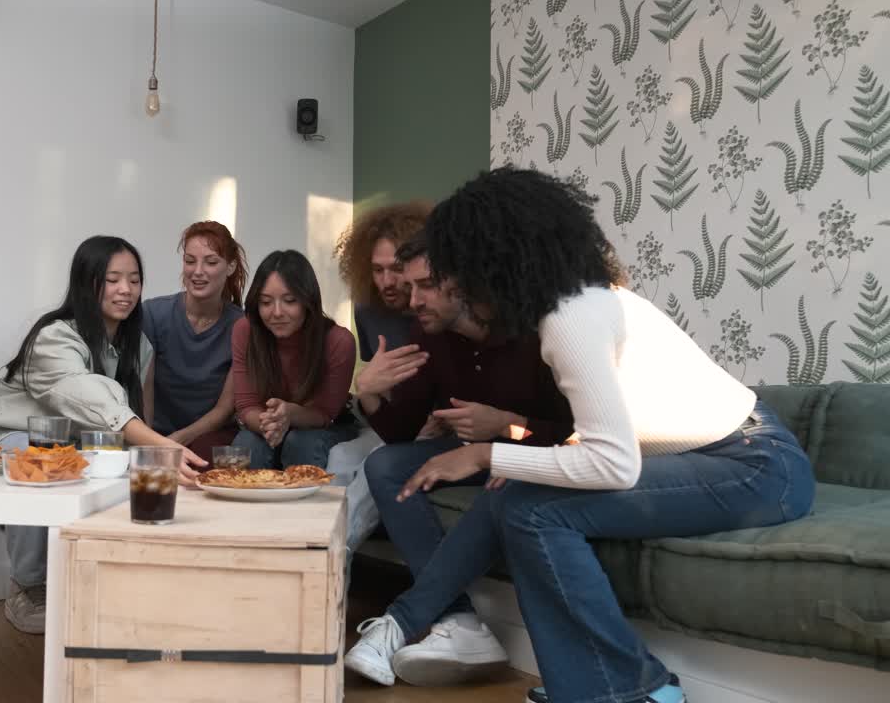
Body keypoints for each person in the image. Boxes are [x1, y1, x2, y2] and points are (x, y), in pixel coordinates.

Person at [344, 168, 815, 703]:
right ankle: (611, 685)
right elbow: (601, 437)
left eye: (452, 272)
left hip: (756, 465)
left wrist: (486, 455)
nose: (444, 289)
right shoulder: (572, 306)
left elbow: (614, 464)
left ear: (491, 263)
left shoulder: (571, 317)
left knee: (533, 511)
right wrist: (509, 457)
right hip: (720, 458)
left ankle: (629, 689)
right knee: (523, 503)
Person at [346, 233, 574, 684]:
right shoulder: (430, 335)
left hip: (536, 456)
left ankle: (404, 621)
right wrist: (367, 392)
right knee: (384, 465)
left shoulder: (533, 331)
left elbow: (571, 436)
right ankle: (458, 619)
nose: (413, 300)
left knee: (507, 485)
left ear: (463, 284)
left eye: (425, 286)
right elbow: (400, 433)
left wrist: (506, 426)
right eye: (409, 287)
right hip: (474, 455)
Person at [0, 235, 206, 635]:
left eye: (134, 280)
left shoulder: (138, 345)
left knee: (126, 471)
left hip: (71, 448)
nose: (126, 290)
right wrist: (162, 448)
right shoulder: (54, 336)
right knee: (41, 458)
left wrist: (149, 460)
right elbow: (89, 397)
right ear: (86, 282)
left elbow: (136, 418)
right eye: (112, 279)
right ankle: (27, 586)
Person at [327, 202, 434, 567]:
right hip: (397, 422)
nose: (387, 282)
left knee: (377, 463)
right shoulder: (368, 310)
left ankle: (331, 561)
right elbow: (380, 386)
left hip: (437, 426)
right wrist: (367, 388)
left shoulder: (436, 310)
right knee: (340, 455)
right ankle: (320, 546)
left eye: (396, 269)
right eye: (377, 270)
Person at [230, 250, 359, 469]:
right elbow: (246, 405)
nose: (277, 312)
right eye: (266, 302)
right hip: (265, 423)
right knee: (247, 444)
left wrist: (290, 414)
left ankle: (307, 494)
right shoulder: (245, 330)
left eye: (289, 301)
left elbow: (325, 414)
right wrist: (269, 426)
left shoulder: (338, 341)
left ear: (308, 301)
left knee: (301, 443)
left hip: (324, 426)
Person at [141, 221, 247, 461]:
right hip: (156, 435)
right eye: (190, 261)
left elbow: (224, 409)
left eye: (211, 262)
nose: (198, 271)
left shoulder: (242, 326)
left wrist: (178, 439)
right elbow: (144, 393)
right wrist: (150, 444)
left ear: (230, 267)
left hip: (210, 437)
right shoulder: (153, 314)